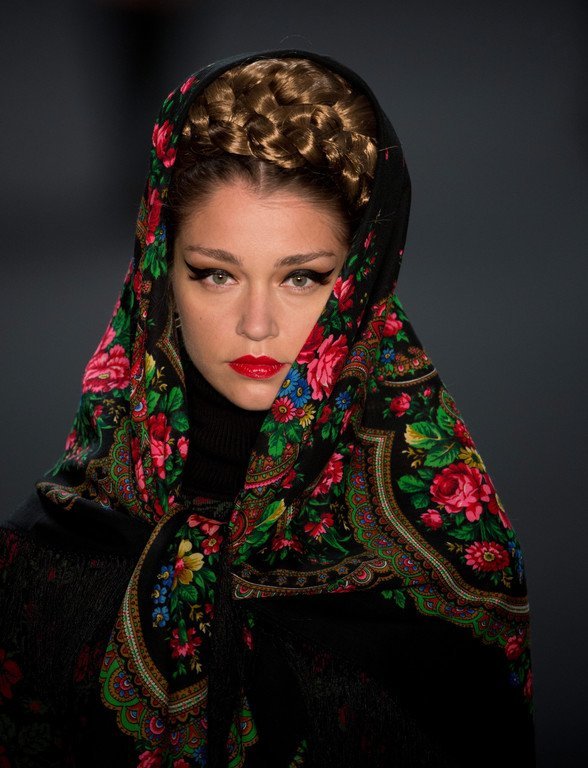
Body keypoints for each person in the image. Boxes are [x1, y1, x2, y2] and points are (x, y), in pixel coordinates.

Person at [0, 50, 535, 767]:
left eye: (301, 278)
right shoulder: (50, 548)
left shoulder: (447, 556)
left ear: (359, 283)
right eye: (215, 274)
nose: (257, 324)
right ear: (159, 272)